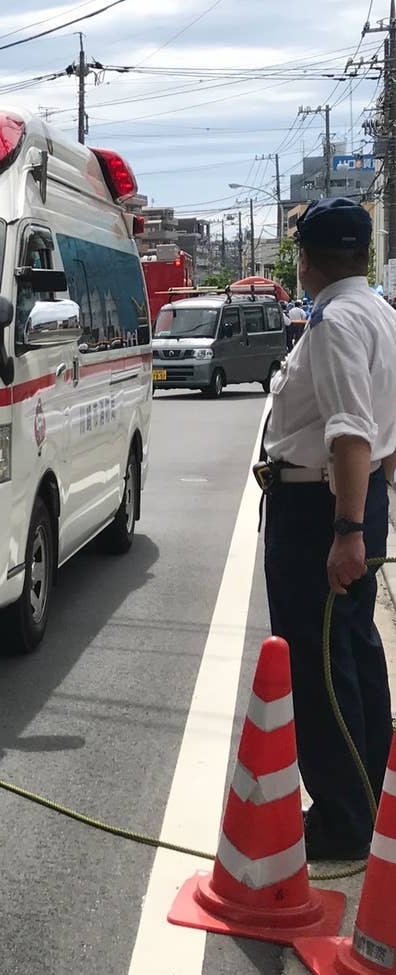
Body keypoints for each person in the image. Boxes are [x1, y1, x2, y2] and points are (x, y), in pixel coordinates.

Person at [262, 197, 396, 860]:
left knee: (319, 664)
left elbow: (351, 429)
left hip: (321, 511)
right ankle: (369, 794)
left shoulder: (339, 319)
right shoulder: (380, 312)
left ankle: (343, 816)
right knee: (354, 648)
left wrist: (346, 528)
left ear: (305, 260)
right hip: (356, 498)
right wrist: (367, 506)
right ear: (365, 255)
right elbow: (382, 433)